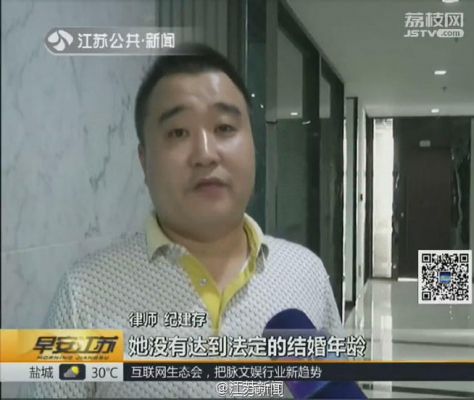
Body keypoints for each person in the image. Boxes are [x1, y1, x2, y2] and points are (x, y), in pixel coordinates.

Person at [27, 43, 342, 398]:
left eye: (225, 127)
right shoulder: (83, 296)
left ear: (253, 145)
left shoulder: (306, 272)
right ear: (145, 161)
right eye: (178, 132)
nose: (205, 154)